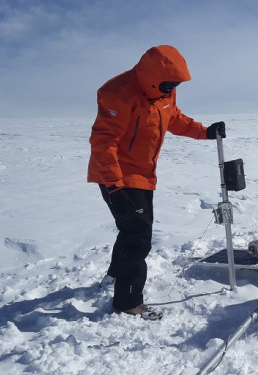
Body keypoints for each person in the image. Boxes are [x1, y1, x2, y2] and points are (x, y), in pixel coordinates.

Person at [87, 45, 226, 320]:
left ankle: (116, 275)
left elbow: (174, 117)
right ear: (151, 77)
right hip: (116, 174)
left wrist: (204, 132)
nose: (172, 88)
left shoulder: (163, 92)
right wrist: (114, 187)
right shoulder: (119, 93)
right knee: (137, 236)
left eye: (175, 84)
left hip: (144, 175)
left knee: (132, 230)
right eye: (168, 83)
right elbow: (104, 143)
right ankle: (128, 302)